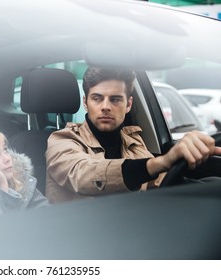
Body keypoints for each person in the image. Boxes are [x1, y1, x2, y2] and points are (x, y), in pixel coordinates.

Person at [45, 67, 221, 203]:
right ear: (86, 102)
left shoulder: (133, 141)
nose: (105, 106)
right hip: (78, 238)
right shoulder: (63, 140)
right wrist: (162, 161)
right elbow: (83, 175)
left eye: (115, 99)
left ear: (128, 104)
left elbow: (159, 182)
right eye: (97, 98)